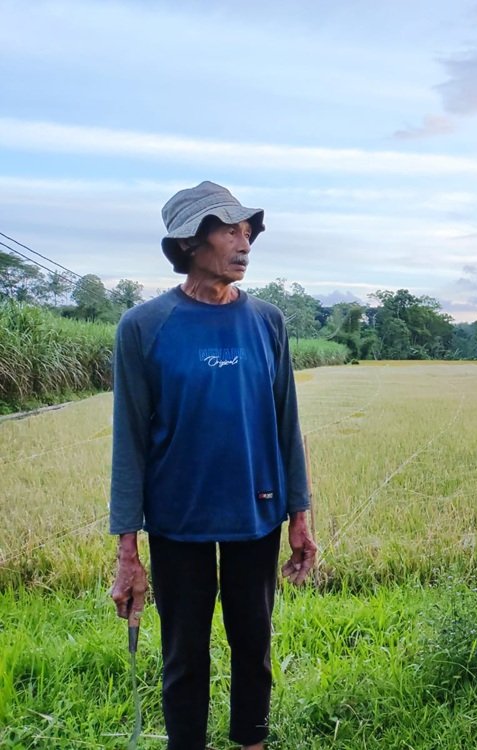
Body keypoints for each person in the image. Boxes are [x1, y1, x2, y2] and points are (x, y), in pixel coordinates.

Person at [109, 181, 318, 750]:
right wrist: (127, 551)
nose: (244, 239)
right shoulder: (144, 327)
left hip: (257, 515)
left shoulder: (268, 322)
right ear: (190, 242)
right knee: (183, 654)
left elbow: (286, 426)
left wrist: (300, 516)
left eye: (247, 229)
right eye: (229, 229)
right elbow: (127, 443)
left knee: (254, 642)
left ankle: (252, 742)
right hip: (178, 522)